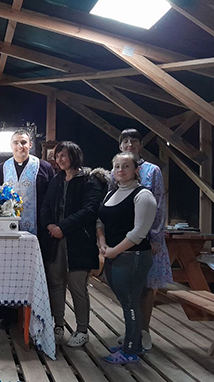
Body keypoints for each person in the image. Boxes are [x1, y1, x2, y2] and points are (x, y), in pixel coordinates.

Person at [40, 141, 107, 347]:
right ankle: (58, 326)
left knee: (78, 286)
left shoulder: (89, 180)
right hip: (54, 242)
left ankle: (82, 329)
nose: (60, 159)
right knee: (56, 284)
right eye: (57, 155)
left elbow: (90, 210)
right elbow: (46, 206)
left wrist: (63, 227)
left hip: (79, 241)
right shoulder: (56, 179)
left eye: (64, 155)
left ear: (74, 156)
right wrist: (50, 225)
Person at [115, 128, 172, 351]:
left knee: (146, 287)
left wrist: (156, 236)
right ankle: (131, 330)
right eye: (125, 141)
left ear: (140, 145)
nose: (129, 144)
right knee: (128, 287)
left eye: (134, 141)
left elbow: (159, 205)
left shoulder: (152, 171)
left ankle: (144, 330)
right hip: (124, 238)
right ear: (120, 146)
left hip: (147, 238)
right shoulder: (116, 170)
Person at [97, 152, 157, 363]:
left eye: (126, 166)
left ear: (136, 170)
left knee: (131, 303)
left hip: (133, 257)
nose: (121, 170)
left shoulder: (143, 196)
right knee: (126, 302)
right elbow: (100, 221)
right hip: (114, 255)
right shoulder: (111, 194)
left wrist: (114, 251)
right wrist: (103, 244)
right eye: (117, 166)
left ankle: (131, 350)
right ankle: (133, 341)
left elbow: (139, 232)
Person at [0, 129, 54, 330]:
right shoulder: (1, 168)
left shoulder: (44, 167)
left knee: (35, 272)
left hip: (37, 230)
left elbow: (50, 199)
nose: (20, 146)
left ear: (30, 145)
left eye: (24, 142)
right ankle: (8, 314)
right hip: (7, 231)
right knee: (7, 272)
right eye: (16, 143)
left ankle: (36, 314)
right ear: (11, 146)